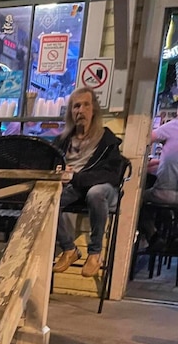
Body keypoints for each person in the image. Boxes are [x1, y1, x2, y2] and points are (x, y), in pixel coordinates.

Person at [52, 87, 123, 277]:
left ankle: (95, 253)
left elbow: (112, 175)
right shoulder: (62, 140)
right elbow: (50, 164)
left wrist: (76, 177)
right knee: (49, 200)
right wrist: (58, 171)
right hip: (74, 187)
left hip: (100, 188)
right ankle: (69, 249)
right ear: (70, 112)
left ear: (94, 110)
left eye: (85, 105)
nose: (80, 110)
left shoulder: (107, 140)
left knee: (95, 192)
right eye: (76, 106)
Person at [138, 116, 178, 246]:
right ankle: (171, 236)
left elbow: (145, 139)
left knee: (137, 198)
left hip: (164, 194)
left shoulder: (173, 126)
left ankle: (152, 234)